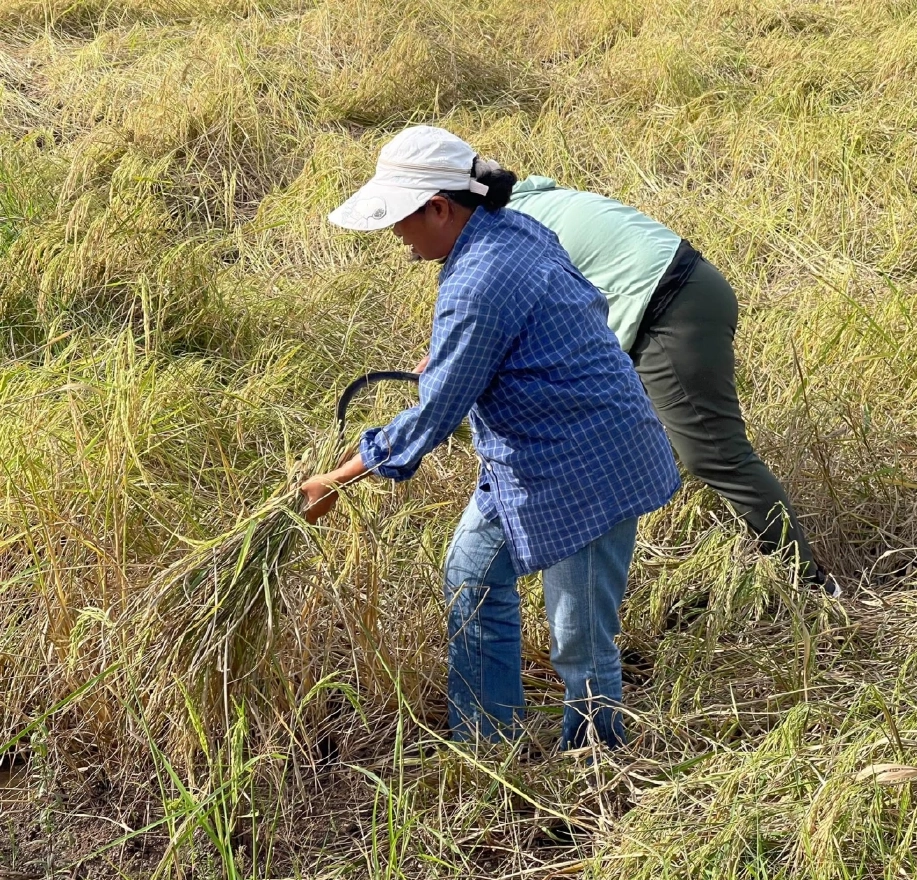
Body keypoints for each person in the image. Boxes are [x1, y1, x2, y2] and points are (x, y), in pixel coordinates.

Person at [301, 126, 680, 750]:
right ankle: (487, 742)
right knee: (472, 574)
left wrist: (337, 478)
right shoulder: (511, 230)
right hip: (527, 461)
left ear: (440, 208)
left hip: (589, 464)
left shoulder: (480, 278)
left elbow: (434, 416)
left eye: (402, 219)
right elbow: (534, 327)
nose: (397, 235)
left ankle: (596, 771)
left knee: (579, 639)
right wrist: (461, 360)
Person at [504, 176, 840, 597]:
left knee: (716, 456)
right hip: (686, 288)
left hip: (668, 309)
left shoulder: (508, 230)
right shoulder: (531, 201)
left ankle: (810, 587)